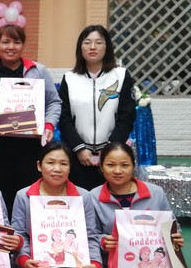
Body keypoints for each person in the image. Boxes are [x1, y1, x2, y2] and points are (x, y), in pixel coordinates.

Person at [81, 142, 184, 268]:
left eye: (124, 165)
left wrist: (175, 237)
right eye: (111, 165)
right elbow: (89, 234)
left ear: (133, 166)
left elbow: (172, 226)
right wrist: (103, 241)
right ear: (101, 167)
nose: (118, 171)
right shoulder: (93, 196)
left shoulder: (155, 193)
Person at [3, 142, 102, 268]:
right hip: (31, 265)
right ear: (39, 166)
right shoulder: (23, 196)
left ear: (70, 167)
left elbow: (90, 235)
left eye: (63, 163)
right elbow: (19, 234)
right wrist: (24, 261)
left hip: (66, 266)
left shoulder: (83, 197)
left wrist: (96, 264)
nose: (57, 169)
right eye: (51, 162)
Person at [0, 25, 61, 217]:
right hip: (0, 146)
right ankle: (8, 232)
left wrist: (48, 125)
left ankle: (30, 231)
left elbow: (54, 102)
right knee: (4, 194)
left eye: (16, 42)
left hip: (31, 146)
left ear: (23, 45)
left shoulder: (38, 71)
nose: (11, 47)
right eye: (5, 42)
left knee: (30, 193)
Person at [58, 25, 136, 190]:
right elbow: (64, 119)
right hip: (78, 155)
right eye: (87, 42)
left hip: (111, 158)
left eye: (98, 42)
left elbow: (127, 117)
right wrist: (79, 149)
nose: (92, 47)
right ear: (80, 48)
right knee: (80, 199)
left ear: (107, 47)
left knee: (109, 200)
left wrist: (109, 150)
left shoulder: (121, 76)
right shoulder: (70, 79)